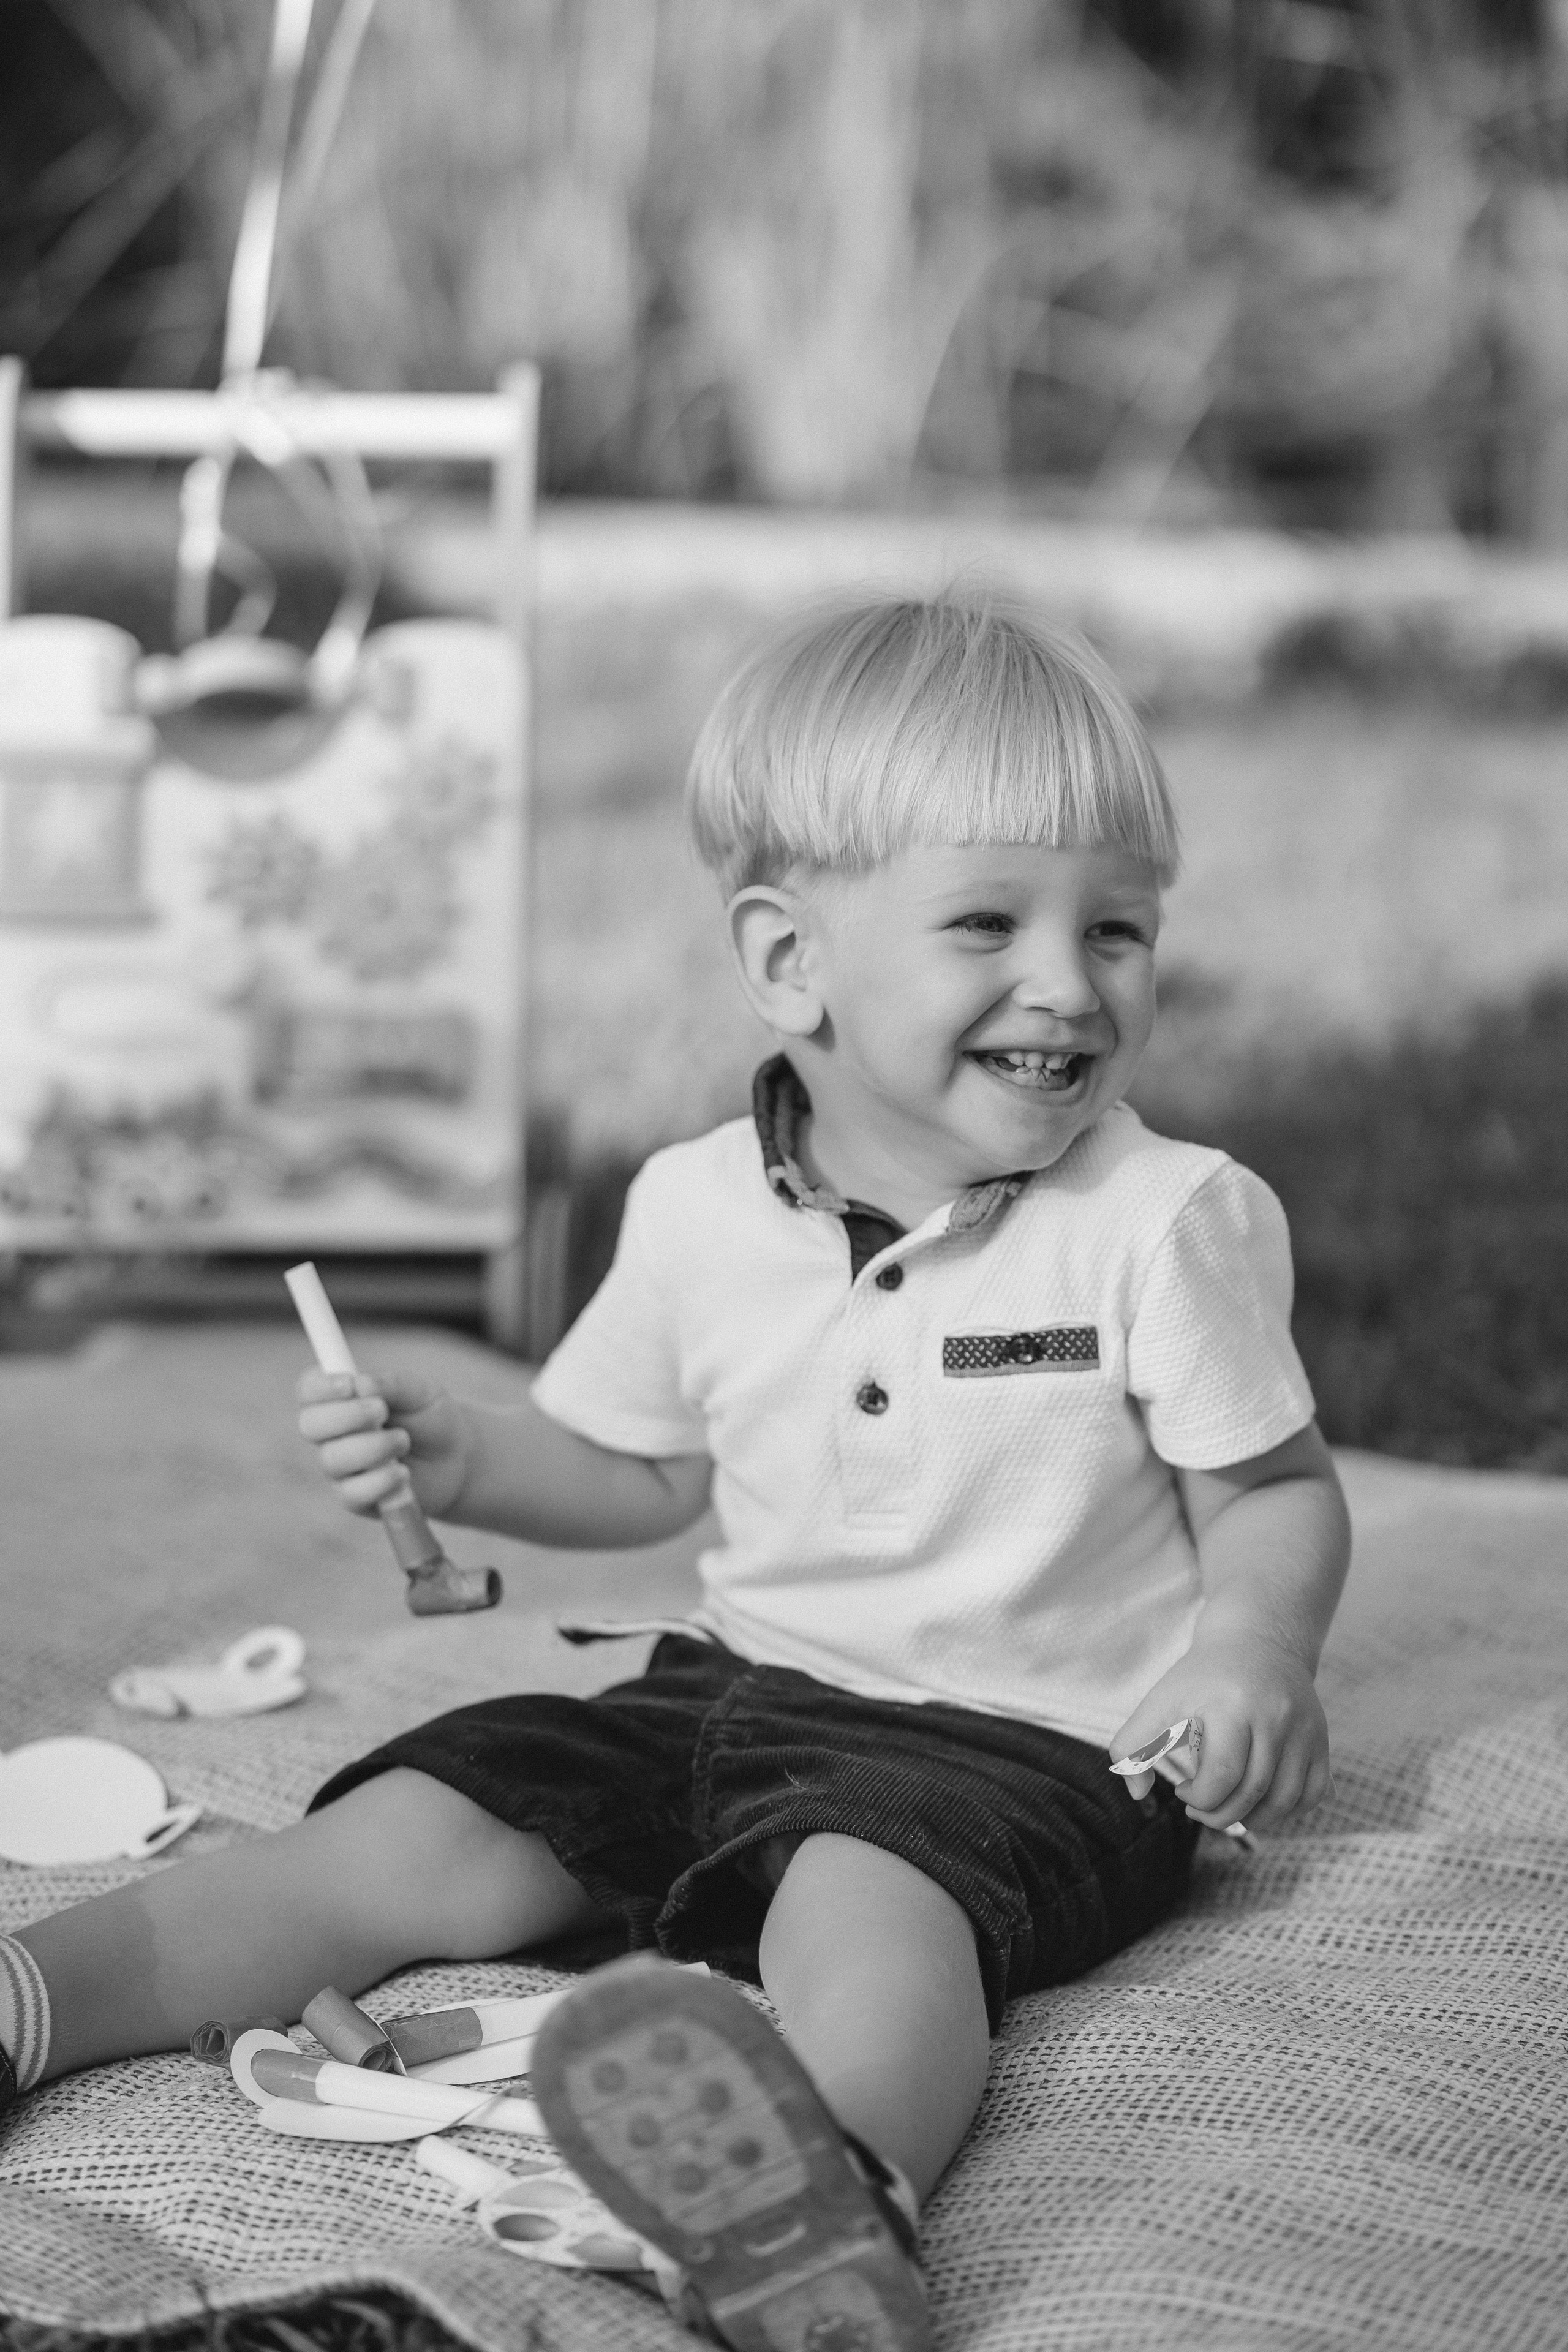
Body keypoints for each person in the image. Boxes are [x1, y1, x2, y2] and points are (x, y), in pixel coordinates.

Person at [0, 597, 1350, 2352]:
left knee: (868, 1905)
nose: (1069, 983)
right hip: (728, 1692)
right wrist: (464, 1451)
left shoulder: (1161, 1221)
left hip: (1034, 1747)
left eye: (1118, 927)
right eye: (987, 924)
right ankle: (40, 1994)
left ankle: (827, 2207)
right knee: (420, 1830)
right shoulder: (698, 1207)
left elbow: (1278, 1490)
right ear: (791, 964)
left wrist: (1251, 1649)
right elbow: (639, 1475)